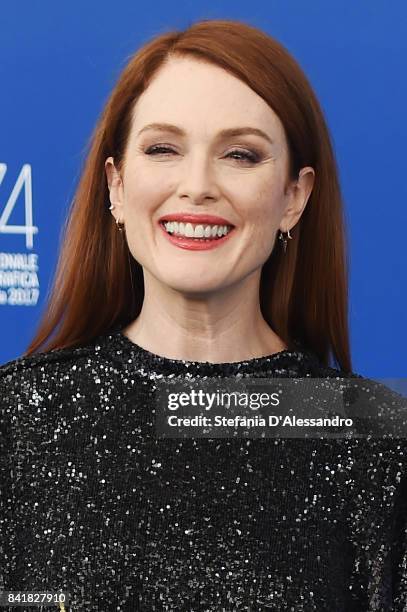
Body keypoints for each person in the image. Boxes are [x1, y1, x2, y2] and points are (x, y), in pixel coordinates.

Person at [1, 18, 406, 612]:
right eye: (163, 149)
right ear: (115, 186)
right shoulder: (16, 420)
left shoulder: (372, 433)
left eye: (240, 155)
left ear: (294, 196)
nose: (197, 186)